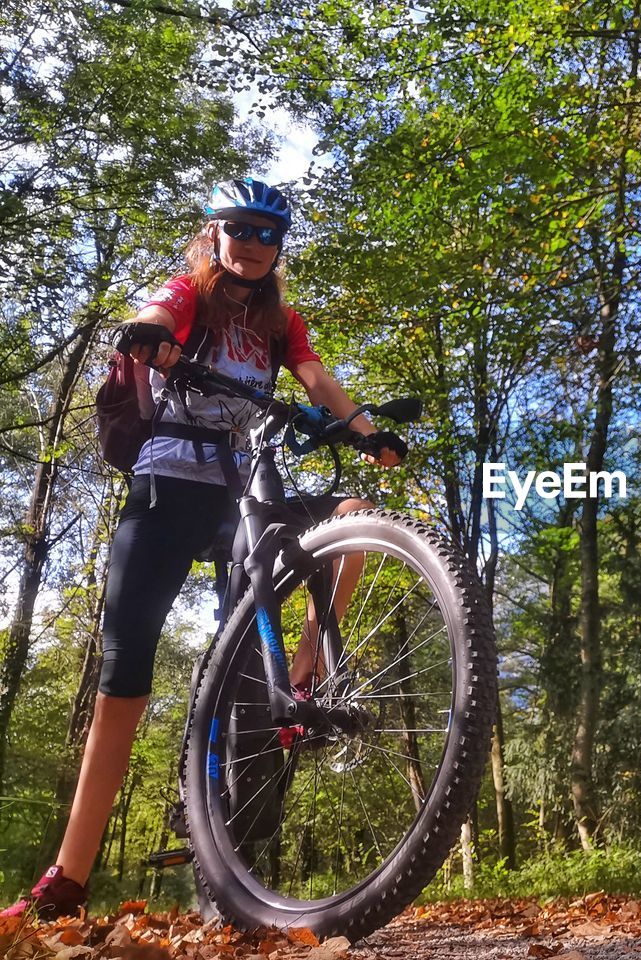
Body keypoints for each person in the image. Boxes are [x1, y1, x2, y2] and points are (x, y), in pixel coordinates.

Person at [3, 178, 408, 919]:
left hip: (238, 497)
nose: (254, 245)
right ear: (216, 234)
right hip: (166, 489)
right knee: (125, 678)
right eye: (240, 231)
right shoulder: (191, 291)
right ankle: (67, 878)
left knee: (350, 519)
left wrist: (361, 428)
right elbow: (158, 310)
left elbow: (315, 376)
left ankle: (307, 676)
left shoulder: (283, 320)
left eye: (268, 235)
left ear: (281, 246)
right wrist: (147, 330)